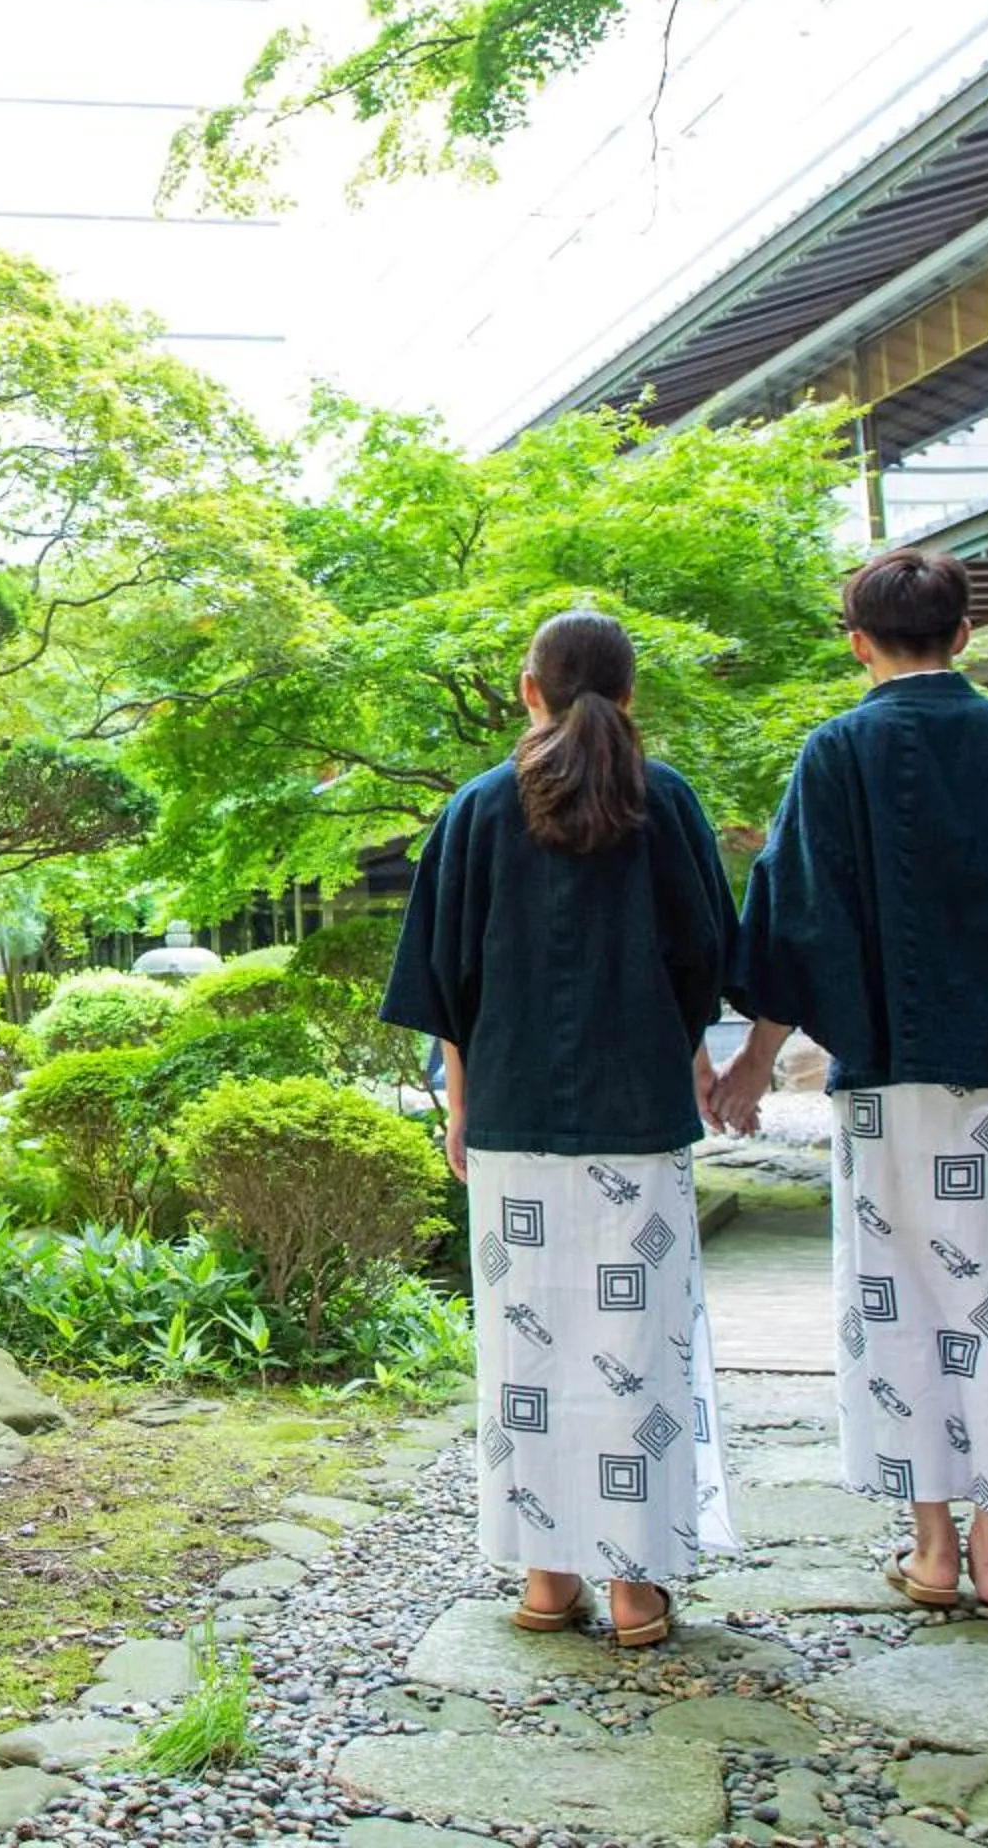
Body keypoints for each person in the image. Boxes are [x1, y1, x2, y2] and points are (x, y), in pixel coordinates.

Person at [711, 548, 988, 1619]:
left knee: (897, 1296)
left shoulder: (837, 751)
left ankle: (932, 1546)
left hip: (889, 1076)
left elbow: (795, 910)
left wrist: (759, 1055)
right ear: (965, 631)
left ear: (858, 641)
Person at [381, 609, 741, 1648]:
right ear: (630, 695)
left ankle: (548, 1580)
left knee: (529, 1344)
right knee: (638, 1340)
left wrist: (459, 1099)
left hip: (515, 1111)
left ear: (528, 689)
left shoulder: (480, 805)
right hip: (638, 1113)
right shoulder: (662, 799)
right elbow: (702, 954)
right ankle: (636, 1587)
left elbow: (447, 979)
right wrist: (693, 1054)